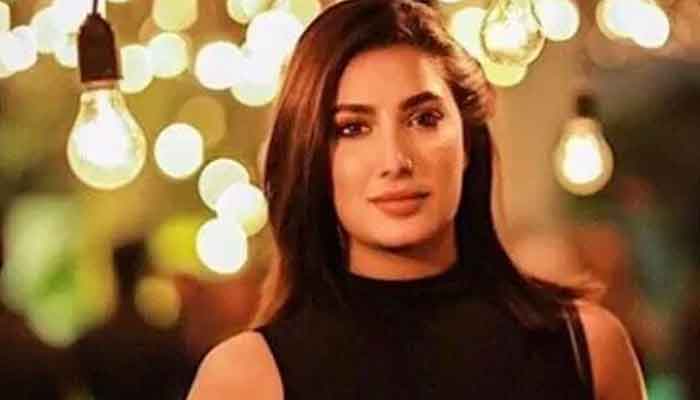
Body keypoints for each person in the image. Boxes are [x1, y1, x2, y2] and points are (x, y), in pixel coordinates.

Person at [187, 0, 647, 399]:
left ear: (467, 143)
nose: (395, 160)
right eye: (352, 128)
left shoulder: (587, 348)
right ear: (312, 159)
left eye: (424, 119)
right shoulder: (246, 378)